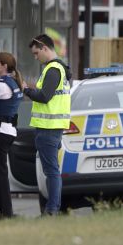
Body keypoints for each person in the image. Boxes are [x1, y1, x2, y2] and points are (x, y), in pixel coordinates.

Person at [23, 34, 72, 215]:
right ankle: (53, 208)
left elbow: (44, 97)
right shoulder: (60, 68)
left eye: (36, 53)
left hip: (48, 128)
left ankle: (52, 210)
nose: (36, 57)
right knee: (52, 171)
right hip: (53, 128)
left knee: (51, 172)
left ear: (44, 47)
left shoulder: (53, 70)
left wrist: (26, 90)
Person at [0, 52, 24, 219]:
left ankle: (5, 212)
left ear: (5, 66)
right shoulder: (14, 83)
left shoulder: (2, 85)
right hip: (6, 131)